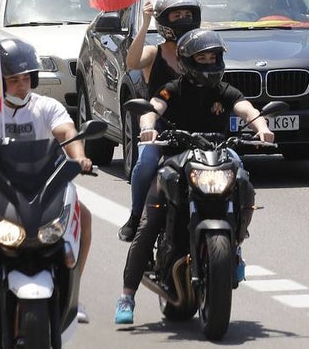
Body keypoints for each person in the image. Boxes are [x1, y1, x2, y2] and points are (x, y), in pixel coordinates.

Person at [114, 29, 273, 325]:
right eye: (202, 58)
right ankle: (127, 295)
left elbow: (246, 108)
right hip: (176, 158)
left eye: (213, 57)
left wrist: (261, 127)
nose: (209, 62)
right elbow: (153, 107)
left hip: (216, 156)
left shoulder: (224, 90)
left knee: (241, 173)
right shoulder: (173, 88)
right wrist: (148, 127)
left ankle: (237, 240)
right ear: (187, 61)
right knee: (150, 222)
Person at [0, 38, 94, 326]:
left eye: (26, 78)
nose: (22, 85)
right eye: (13, 80)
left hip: (42, 189)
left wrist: (80, 157)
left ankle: (73, 295)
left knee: (83, 217)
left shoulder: (47, 106)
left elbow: (66, 132)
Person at [118, 0, 201, 242]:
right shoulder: (154, 53)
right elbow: (132, 62)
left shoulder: (201, 52)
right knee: (145, 163)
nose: (183, 19)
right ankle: (135, 216)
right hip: (160, 127)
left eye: (188, 14)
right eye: (177, 15)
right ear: (164, 20)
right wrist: (144, 23)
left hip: (197, 126)